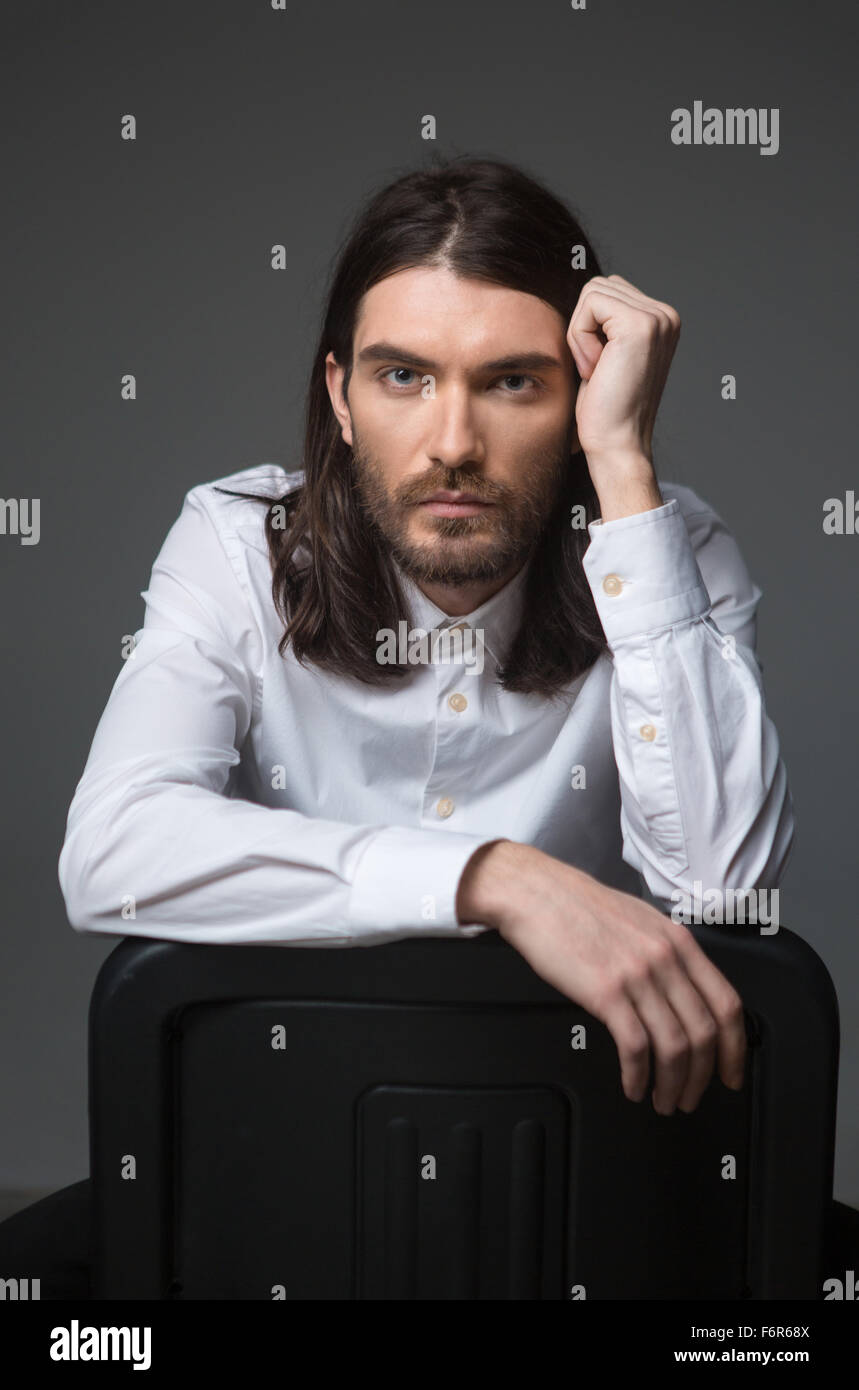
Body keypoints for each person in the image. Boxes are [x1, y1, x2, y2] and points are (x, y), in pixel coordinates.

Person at [6, 155, 837, 1299]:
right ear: (341, 397)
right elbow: (113, 854)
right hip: (271, 1185)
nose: (452, 441)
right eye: (404, 377)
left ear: (583, 396)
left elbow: (723, 889)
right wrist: (493, 877)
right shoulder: (236, 546)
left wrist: (625, 468)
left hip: (614, 1196)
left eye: (512, 383)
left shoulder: (669, 550)